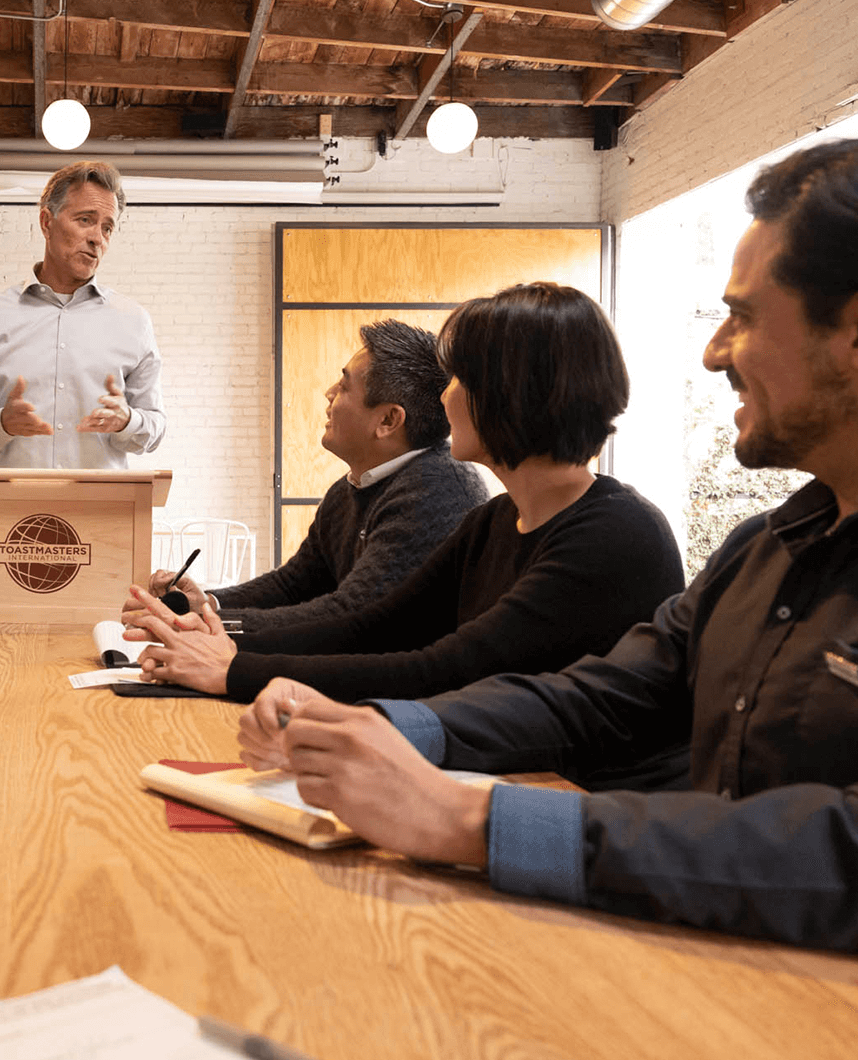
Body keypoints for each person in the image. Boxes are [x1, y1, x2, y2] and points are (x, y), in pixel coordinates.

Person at [236, 138, 858, 949]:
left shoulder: (618, 530)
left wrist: (473, 816)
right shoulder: (764, 547)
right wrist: (384, 728)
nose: (713, 353)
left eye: (740, 318)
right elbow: (593, 691)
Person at [128, 283, 686, 791]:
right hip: (504, 774)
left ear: (511, 393)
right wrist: (222, 643)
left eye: (460, 380)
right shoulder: (493, 521)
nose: (444, 401)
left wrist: (231, 667)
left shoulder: (615, 535)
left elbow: (442, 669)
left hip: (586, 807)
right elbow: (375, 627)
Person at [124, 319, 487, 636]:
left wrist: (206, 624)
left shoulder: (437, 490)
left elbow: (352, 616)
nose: (329, 394)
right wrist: (209, 604)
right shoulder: (350, 489)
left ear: (388, 420)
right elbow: (295, 584)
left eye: (344, 386)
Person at [0, 160, 166, 469]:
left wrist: (128, 421)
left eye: (107, 227)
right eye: (86, 220)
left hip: (102, 511)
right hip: (12, 514)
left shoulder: (133, 322)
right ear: (47, 222)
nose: (98, 238)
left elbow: (155, 426)